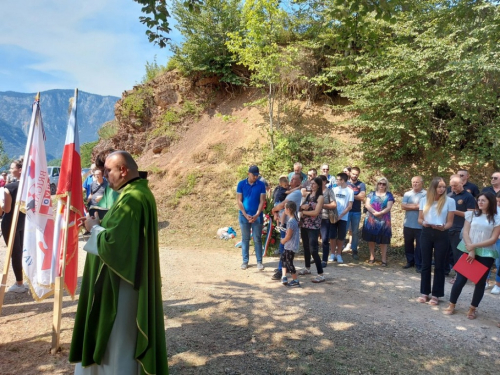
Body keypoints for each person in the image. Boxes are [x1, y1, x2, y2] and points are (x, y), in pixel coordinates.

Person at [69, 151, 168, 375]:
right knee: (119, 339)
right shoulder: (135, 192)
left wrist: (93, 227)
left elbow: (116, 244)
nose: (106, 176)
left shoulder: (132, 198)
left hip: (121, 285)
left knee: (117, 338)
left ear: (123, 171)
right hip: (125, 278)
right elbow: (125, 233)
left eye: (109, 171)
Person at [443, 192, 500, 319]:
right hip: (468, 249)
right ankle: (452, 305)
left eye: (483, 200)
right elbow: (465, 232)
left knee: (479, 282)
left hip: (486, 253)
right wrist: (471, 249)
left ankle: (473, 308)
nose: (480, 202)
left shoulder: (496, 218)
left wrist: (474, 246)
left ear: (490, 202)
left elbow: (493, 238)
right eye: (479, 200)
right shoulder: (471, 214)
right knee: (460, 279)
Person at [417, 177, 456, 305]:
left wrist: (443, 227)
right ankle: (424, 293)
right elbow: (420, 219)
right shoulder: (424, 200)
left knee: (439, 265)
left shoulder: (450, 201)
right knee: (425, 264)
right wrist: (425, 223)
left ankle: (436, 295)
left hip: (442, 234)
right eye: (439, 186)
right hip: (426, 233)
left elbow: (450, 222)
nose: (442, 189)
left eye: (444, 187)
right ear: (433, 187)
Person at [0, 160, 27, 293]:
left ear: (20, 169)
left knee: (15, 253)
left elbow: (7, 209)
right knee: (21, 251)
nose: (10, 170)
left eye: (12, 168)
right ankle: (22, 280)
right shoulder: (29, 186)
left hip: (10, 222)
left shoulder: (9, 188)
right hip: (23, 221)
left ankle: (19, 283)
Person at [271, 174, 303, 281]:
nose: (291, 181)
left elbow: (282, 205)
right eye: (291, 178)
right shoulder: (289, 191)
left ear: (298, 183)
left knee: (284, 246)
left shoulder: (296, 193)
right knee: (283, 246)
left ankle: (281, 270)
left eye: (294, 179)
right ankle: (285, 268)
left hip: (287, 222)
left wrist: (273, 210)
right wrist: (275, 213)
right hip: (283, 220)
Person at [237, 165, 266, 270]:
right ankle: (245, 261)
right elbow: (239, 201)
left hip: (256, 216)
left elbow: (262, 201)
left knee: (257, 239)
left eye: (257, 175)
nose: (255, 177)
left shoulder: (261, 184)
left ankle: (259, 261)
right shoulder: (241, 184)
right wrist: (245, 214)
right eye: (254, 175)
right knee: (245, 238)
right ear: (248, 173)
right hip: (244, 216)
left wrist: (257, 214)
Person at [447, 175, 476, 281]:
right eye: (451, 186)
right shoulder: (449, 195)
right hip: (448, 228)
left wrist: (453, 211)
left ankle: (459, 276)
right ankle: (449, 271)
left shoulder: (468, 197)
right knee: (448, 253)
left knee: (458, 254)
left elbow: (471, 214)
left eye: (455, 186)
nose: (453, 188)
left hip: (460, 229)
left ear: (462, 184)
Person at [298, 177, 325, 283]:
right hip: (305, 224)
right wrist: (302, 208)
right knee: (306, 247)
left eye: (314, 184)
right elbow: (301, 207)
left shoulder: (320, 197)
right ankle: (307, 268)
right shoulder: (308, 195)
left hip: (314, 226)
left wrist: (303, 212)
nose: (312, 185)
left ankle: (321, 274)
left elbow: (316, 212)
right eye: (311, 183)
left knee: (313, 249)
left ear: (318, 185)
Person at [362, 177, 395, 266]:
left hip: (384, 221)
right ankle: (372, 257)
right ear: (377, 184)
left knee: (383, 241)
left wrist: (380, 213)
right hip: (371, 219)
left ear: (386, 185)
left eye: (383, 184)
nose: (381, 185)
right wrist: (374, 212)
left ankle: (383, 259)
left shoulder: (389, 195)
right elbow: (367, 204)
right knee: (371, 239)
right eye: (380, 183)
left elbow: (389, 207)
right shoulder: (371, 194)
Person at [401, 176, 426, 272]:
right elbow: (403, 206)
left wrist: (409, 206)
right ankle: (410, 261)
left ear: (421, 183)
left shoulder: (426, 194)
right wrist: (416, 206)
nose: (415, 184)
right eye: (413, 182)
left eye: (417, 182)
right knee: (408, 244)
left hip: (420, 225)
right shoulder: (407, 194)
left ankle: (419, 264)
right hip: (408, 224)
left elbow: (423, 207)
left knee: (420, 245)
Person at [328, 173, 354, 264]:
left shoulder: (350, 191)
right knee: (332, 236)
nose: (336, 181)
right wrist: (334, 215)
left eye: (338, 179)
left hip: (343, 217)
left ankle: (339, 254)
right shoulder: (334, 189)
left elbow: (349, 206)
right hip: (333, 216)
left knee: (341, 236)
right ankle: (332, 254)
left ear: (343, 180)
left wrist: (340, 216)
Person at [345, 166, 366, 260]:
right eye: (353, 173)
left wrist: (349, 195)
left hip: (356, 211)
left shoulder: (361, 185)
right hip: (346, 211)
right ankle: (338, 250)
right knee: (343, 230)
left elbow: (362, 197)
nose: (354, 176)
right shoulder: (345, 183)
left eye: (356, 174)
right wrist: (356, 195)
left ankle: (354, 250)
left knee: (355, 232)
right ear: (350, 173)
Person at [280, 201, 301, 287]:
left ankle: (295, 280)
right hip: (289, 245)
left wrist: (283, 240)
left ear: (288, 209)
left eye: (285, 208)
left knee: (289, 262)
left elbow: (289, 236)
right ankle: (284, 276)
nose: (284, 210)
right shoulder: (293, 220)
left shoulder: (291, 222)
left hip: (290, 246)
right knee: (283, 259)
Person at [319, 175, 337, 267]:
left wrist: (322, 205)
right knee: (313, 239)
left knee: (325, 239)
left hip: (325, 218)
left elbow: (334, 205)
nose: (321, 182)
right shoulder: (315, 191)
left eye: (323, 180)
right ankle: (314, 258)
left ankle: (324, 260)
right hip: (314, 218)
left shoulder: (329, 191)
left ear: (326, 182)